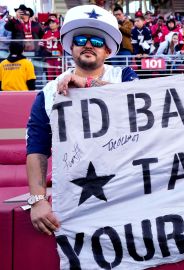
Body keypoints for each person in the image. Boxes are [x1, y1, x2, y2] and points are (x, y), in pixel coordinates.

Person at [26, 5, 138, 236]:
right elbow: (37, 148)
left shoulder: (124, 76)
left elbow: (142, 98)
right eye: (81, 39)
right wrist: (37, 201)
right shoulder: (48, 93)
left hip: (129, 187)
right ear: (71, 47)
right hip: (76, 193)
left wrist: (87, 84)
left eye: (97, 41)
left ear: (107, 50)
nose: (88, 44)